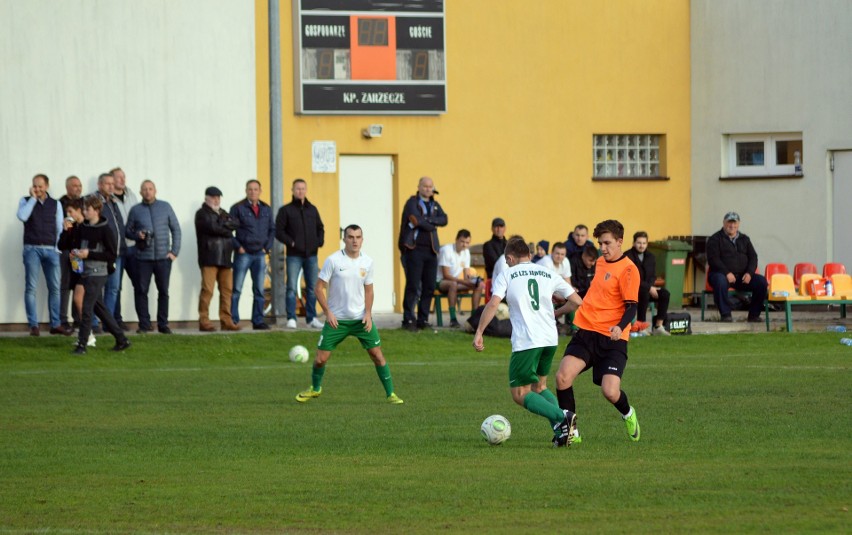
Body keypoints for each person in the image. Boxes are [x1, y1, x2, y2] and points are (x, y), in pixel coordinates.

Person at [473, 235, 583, 447]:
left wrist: (479, 331)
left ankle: (564, 418)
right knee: (540, 386)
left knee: (520, 393)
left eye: (507, 260)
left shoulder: (507, 274)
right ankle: (568, 432)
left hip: (527, 340)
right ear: (530, 255)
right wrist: (556, 313)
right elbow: (576, 301)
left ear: (511, 258)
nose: (507, 264)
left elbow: (494, 304)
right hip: (550, 338)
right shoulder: (548, 272)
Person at [295, 225, 404, 405]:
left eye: (358, 237)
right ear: (344, 239)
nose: (355, 241)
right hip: (337, 320)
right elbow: (318, 288)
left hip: (361, 320)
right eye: (351, 237)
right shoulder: (334, 260)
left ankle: (391, 394)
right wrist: (328, 313)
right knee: (320, 359)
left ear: (362, 239)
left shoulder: (368, 262)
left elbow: (369, 291)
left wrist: (368, 314)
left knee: (377, 354)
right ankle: (315, 389)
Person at [555, 219, 642, 446]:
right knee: (563, 377)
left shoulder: (629, 269)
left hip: (613, 338)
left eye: (607, 243)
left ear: (620, 241)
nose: (602, 248)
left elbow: (632, 306)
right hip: (587, 332)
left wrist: (619, 327)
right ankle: (571, 433)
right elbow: (598, 292)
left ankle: (628, 413)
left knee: (610, 392)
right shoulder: (602, 263)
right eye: (600, 243)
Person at [61, 195, 131, 355]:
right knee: (99, 309)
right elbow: (65, 245)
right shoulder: (83, 227)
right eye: (84, 209)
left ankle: (82, 345)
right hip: (85, 272)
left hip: (98, 273)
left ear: (97, 210)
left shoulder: (106, 229)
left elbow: (112, 255)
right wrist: (66, 232)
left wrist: (89, 254)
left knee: (87, 307)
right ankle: (122, 340)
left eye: (88, 209)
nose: (84, 212)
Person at [125, 180, 181, 334]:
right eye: (144, 189)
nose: (148, 191)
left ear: (155, 190)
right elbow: (127, 231)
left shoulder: (165, 207)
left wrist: (174, 252)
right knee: (141, 291)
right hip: (143, 258)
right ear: (140, 192)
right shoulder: (135, 210)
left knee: (163, 291)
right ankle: (144, 324)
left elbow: (176, 229)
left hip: (163, 258)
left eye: (150, 189)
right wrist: (138, 235)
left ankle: (163, 325)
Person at [17, 173, 67, 337]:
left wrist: (57, 247)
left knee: (55, 288)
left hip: (51, 249)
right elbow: (22, 216)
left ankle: (55, 324)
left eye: (40, 186)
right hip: (32, 248)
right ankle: (33, 326)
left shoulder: (56, 204)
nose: (37, 189)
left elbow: (59, 226)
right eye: (34, 186)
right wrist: (32, 199)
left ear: (47, 186)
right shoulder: (25, 200)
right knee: (31, 287)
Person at [398, 176, 448, 331]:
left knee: (429, 286)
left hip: (431, 251)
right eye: (425, 186)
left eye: (430, 186)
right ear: (419, 187)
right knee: (413, 285)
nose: (427, 189)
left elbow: (444, 219)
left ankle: (423, 319)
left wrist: (427, 220)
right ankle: (408, 318)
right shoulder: (411, 202)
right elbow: (416, 220)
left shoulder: (435, 204)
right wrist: (432, 222)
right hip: (414, 250)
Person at [275, 178, 325, 330]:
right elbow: (279, 231)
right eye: (297, 188)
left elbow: (320, 227)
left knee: (312, 288)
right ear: (292, 190)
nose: (300, 191)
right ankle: (291, 318)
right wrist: (291, 242)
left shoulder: (312, 209)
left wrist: (319, 241)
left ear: (306, 190)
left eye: (303, 188)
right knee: (290, 287)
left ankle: (312, 318)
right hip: (294, 255)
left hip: (311, 255)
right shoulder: (286, 210)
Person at [705, 211, 768, 323]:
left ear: (738, 224)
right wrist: (726, 273)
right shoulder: (714, 239)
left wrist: (749, 273)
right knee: (720, 280)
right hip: (720, 274)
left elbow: (753, 257)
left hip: (742, 276)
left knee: (761, 282)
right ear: (724, 223)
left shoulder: (745, 239)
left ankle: (754, 315)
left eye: (735, 223)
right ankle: (726, 315)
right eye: (729, 223)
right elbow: (713, 259)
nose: (732, 226)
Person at [231, 179, 275, 330]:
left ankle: (257, 321)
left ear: (260, 191)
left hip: (260, 255)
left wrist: (266, 248)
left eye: (256, 189)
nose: (253, 192)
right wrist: (238, 247)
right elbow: (228, 230)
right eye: (250, 189)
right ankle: (233, 321)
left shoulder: (266, 209)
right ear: (246, 191)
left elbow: (272, 230)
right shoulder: (237, 208)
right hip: (243, 254)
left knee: (259, 290)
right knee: (237, 288)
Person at [195, 186, 240, 332]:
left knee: (227, 290)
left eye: (218, 197)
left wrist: (224, 226)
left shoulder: (223, 213)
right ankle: (204, 320)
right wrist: (226, 228)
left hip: (226, 258)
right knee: (207, 290)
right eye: (213, 197)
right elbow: (213, 228)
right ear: (206, 198)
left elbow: (236, 223)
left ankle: (226, 321)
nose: (216, 200)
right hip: (209, 257)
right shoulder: (201, 214)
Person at [94, 172, 126, 333]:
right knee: (95, 288)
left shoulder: (114, 202)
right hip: (100, 254)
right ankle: (93, 323)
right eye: (108, 184)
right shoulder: (94, 201)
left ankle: (108, 323)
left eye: (112, 184)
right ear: (100, 185)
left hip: (116, 254)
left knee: (113, 289)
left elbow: (119, 228)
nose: (111, 187)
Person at [437, 229, 485, 327]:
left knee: (479, 285)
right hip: (440, 282)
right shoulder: (446, 250)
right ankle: (453, 319)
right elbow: (446, 275)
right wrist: (464, 282)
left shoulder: (466, 252)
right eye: (462, 242)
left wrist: (473, 280)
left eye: (467, 243)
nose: (464, 245)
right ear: (456, 240)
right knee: (453, 284)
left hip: (456, 282)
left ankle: (474, 318)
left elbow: (466, 275)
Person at [625, 231, 671, 335]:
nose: (641, 246)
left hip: (649, 288)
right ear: (633, 243)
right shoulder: (627, 256)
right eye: (639, 243)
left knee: (665, 294)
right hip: (632, 291)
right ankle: (641, 326)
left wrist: (650, 287)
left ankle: (658, 326)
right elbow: (631, 278)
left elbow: (653, 275)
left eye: (644, 243)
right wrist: (649, 288)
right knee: (644, 292)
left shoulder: (651, 257)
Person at [110, 166, 139, 331]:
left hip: (133, 247)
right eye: (118, 177)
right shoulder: (107, 198)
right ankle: (116, 319)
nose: (122, 180)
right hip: (117, 249)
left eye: (123, 177)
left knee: (139, 284)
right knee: (115, 286)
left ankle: (143, 320)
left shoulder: (132, 195)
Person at [59, 175, 84, 331]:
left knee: (78, 284)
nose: (78, 188)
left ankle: (78, 319)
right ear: (67, 187)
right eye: (75, 185)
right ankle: (63, 319)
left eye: (80, 185)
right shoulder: (59, 204)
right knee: (65, 285)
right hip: (66, 250)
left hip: (79, 252)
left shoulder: (84, 204)